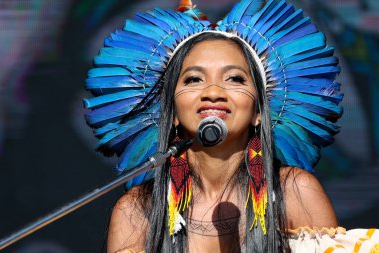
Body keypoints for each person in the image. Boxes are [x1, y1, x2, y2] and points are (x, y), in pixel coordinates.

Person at [84, 0, 379, 252]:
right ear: (172, 111)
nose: (213, 91)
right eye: (193, 79)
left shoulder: (295, 192)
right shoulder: (136, 210)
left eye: (235, 78)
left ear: (259, 112)